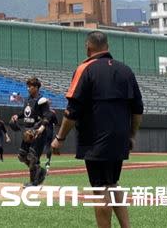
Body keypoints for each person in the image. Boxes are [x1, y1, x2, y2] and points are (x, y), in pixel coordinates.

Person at [51, 31, 144, 228]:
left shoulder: (85, 69)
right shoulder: (125, 70)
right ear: (107, 47)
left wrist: (60, 137)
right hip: (119, 138)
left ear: (88, 48)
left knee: (100, 188)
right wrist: (131, 135)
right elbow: (138, 109)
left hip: (96, 140)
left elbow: (72, 110)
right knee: (112, 183)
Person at [9, 77, 51, 187]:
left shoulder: (42, 100)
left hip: (37, 132)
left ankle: (34, 181)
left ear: (36, 87)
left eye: (30, 86)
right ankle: (40, 171)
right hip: (27, 132)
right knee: (22, 156)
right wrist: (17, 116)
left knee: (32, 157)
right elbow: (25, 113)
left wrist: (41, 128)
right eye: (27, 86)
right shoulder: (28, 99)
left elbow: (47, 117)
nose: (28, 88)